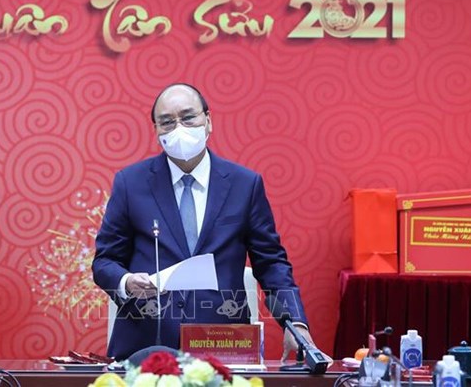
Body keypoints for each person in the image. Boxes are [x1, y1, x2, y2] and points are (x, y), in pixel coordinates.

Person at [92, 83, 318, 361]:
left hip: (223, 346)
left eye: (188, 118)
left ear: (208, 121)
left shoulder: (244, 184)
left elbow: (271, 262)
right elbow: (104, 262)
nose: (179, 128)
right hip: (146, 346)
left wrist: (294, 322)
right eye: (167, 122)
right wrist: (126, 282)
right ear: (156, 131)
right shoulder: (131, 183)